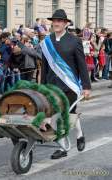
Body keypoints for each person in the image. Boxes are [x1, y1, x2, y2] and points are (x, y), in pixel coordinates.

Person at [39, 9, 91, 159]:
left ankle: (79, 135)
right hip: (52, 85)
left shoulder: (75, 41)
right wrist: (42, 86)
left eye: (59, 21)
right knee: (57, 115)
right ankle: (63, 148)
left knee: (67, 114)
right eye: (54, 21)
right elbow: (45, 66)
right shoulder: (47, 42)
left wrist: (86, 87)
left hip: (69, 85)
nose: (56, 23)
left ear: (65, 23)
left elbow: (82, 65)